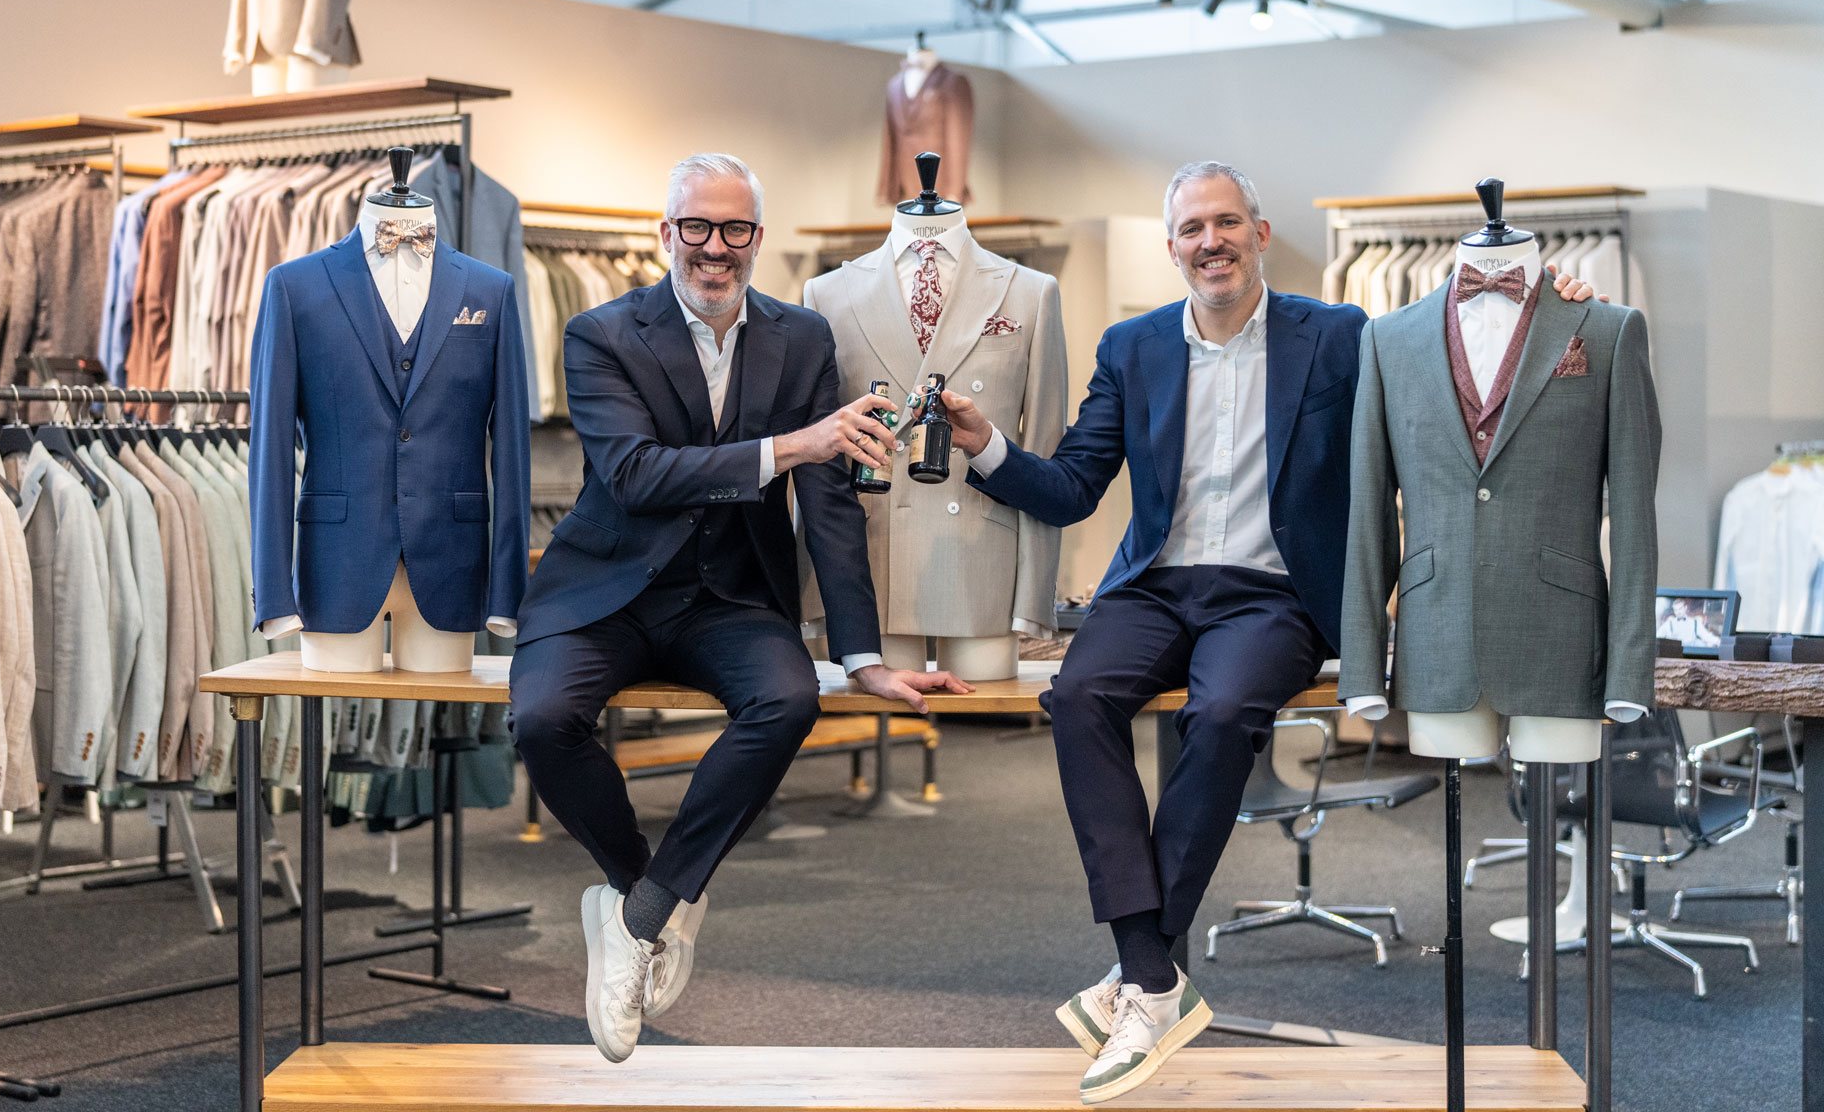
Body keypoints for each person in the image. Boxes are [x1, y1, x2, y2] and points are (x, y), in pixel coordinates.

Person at [937, 162, 1603, 1104]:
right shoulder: (1131, 347)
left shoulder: (1339, 336)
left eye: (1225, 223)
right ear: (1172, 248)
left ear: (1259, 231)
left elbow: (1447, 395)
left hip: (1277, 594)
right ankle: (1152, 973)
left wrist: (1553, 306)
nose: (1209, 242)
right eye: (1190, 230)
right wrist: (984, 446)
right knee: (1076, 695)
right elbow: (1076, 484)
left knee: (1219, 716)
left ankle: (1140, 976)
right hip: (1155, 584)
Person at [509, 154, 968, 1063]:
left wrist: (860, 653)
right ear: (665, 232)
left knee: (790, 701)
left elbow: (831, 500)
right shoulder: (600, 332)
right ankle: (638, 884)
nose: (715, 249)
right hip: (606, 587)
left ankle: (642, 913)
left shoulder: (801, 338)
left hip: (730, 595)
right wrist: (793, 445)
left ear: (758, 236)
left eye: (736, 229)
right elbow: (634, 476)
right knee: (543, 717)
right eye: (697, 227)